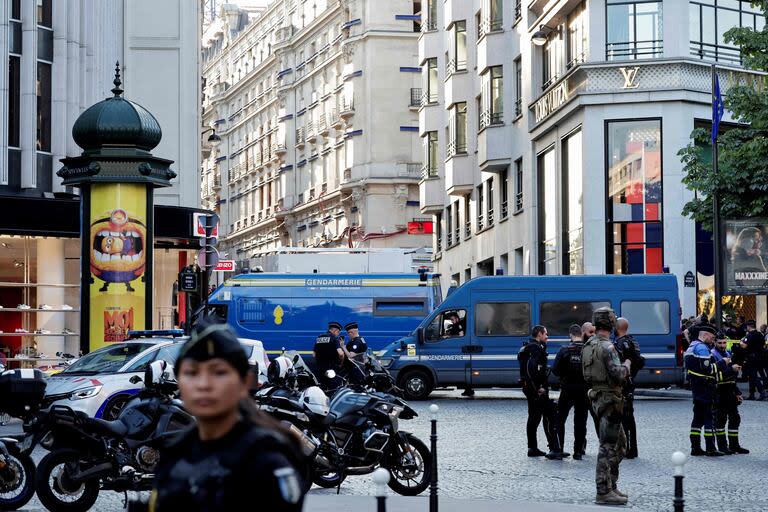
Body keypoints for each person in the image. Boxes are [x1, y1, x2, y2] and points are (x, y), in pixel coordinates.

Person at [147, 319, 306, 511]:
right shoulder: (176, 452)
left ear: (245, 381)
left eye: (219, 372)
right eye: (191, 373)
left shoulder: (266, 460)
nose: (203, 384)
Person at [582, 307, 630, 506]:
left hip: (597, 397)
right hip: (611, 400)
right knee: (609, 447)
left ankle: (611, 485)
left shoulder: (588, 345)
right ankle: (603, 490)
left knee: (620, 445)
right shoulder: (607, 347)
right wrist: (627, 364)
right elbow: (618, 374)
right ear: (610, 324)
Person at [519, 325, 565, 460]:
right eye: (546, 334)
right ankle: (553, 448)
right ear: (539, 334)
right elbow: (532, 370)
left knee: (534, 417)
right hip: (537, 391)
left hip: (532, 389)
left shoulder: (530, 348)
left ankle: (535, 447)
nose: (547, 337)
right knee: (546, 415)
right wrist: (538, 387)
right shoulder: (535, 349)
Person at [684, 324, 728, 457]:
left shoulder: (692, 346)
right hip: (705, 387)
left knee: (697, 418)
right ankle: (710, 448)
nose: (712, 340)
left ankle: (695, 447)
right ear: (706, 335)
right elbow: (707, 369)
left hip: (697, 387)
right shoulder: (702, 348)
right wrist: (723, 363)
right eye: (712, 337)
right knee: (709, 416)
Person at [552, 324, 590, 460]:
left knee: (560, 419)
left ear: (570, 335)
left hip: (568, 388)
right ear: (582, 334)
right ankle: (578, 451)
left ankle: (558, 449)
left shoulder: (565, 350)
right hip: (584, 389)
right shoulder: (588, 350)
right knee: (581, 421)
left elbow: (555, 370)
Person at [613, 318, 645, 459]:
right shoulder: (633, 342)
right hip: (630, 381)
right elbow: (639, 360)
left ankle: (627, 449)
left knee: (624, 417)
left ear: (617, 328)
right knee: (629, 417)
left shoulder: (621, 344)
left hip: (623, 383)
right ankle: (632, 448)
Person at [711, 332, 747, 455]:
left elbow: (732, 377)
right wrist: (731, 369)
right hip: (719, 391)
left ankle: (734, 445)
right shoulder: (713, 355)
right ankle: (722, 446)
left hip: (730, 390)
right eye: (720, 343)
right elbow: (714, 377)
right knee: (720, 420)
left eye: (724, 343)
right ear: (715, 342)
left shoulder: (727, 353)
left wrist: (737, 392)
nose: (722, 345)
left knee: (735, 418)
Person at [314, 321, 345, 390]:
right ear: (335, 331)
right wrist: (341, 362)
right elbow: (340, 353)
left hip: (320, 368)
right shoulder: (334, 338)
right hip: (331, 369)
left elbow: (314, 354)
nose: (338, 334)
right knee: (333, 388)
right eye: (338, 332)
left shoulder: (319, 337)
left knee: (322, 387)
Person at [740, 320, 766, 400]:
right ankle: (752, 394)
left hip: (752, 358)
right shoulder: (760, 334)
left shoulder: (750, 335)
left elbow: (744, 346)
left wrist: (741, 342)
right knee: (752, 376)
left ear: (749, 326)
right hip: (760, 357)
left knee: (753, 376)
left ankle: (762, 392)